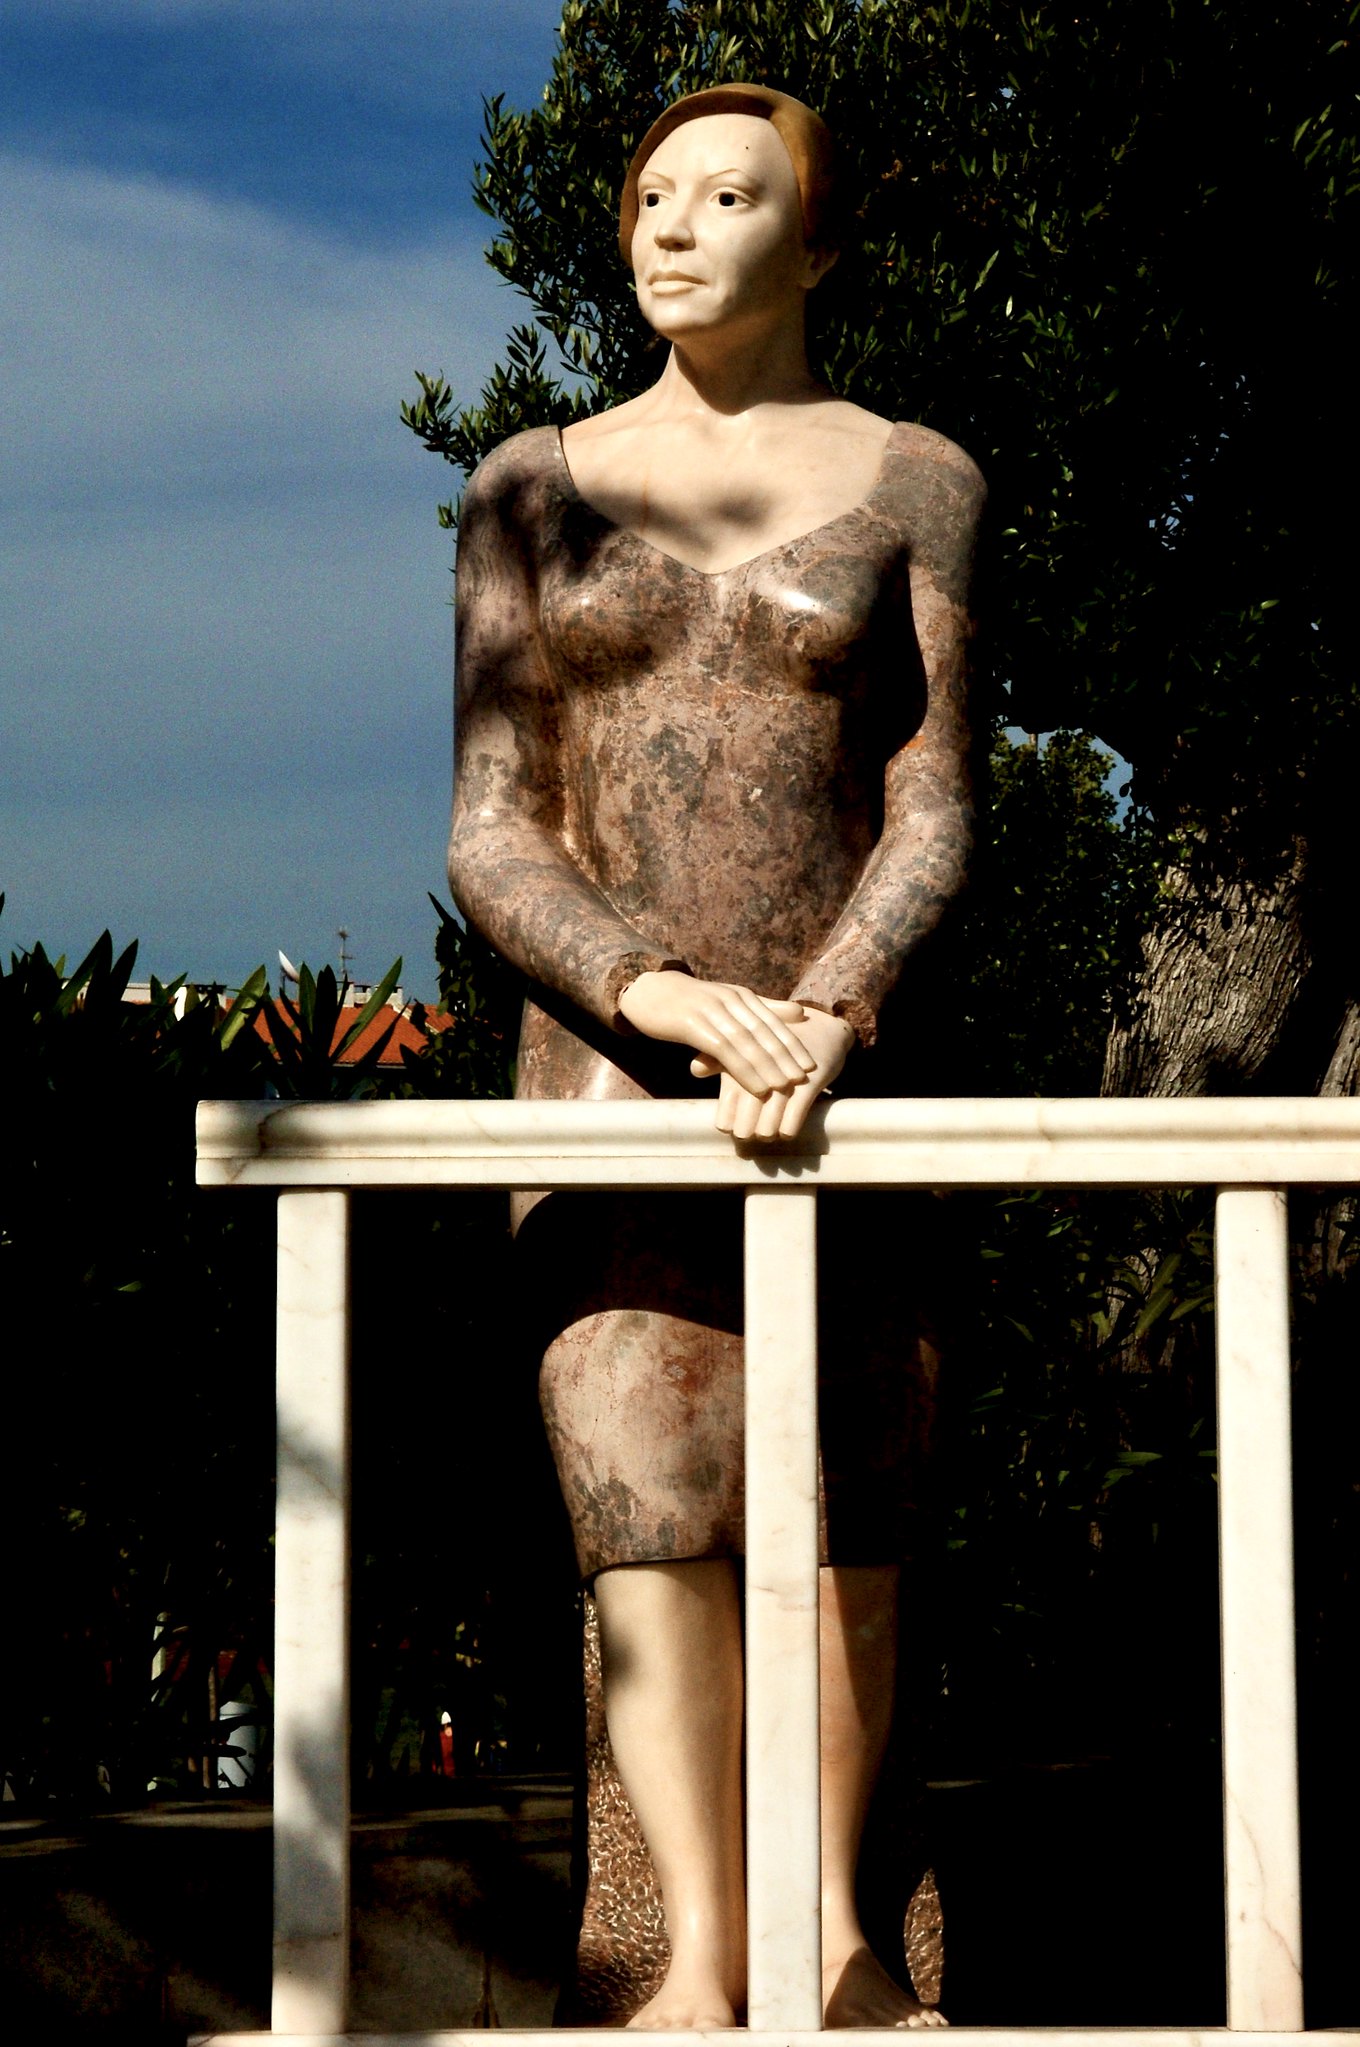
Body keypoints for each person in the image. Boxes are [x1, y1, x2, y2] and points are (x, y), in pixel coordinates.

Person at [449, 83, 983, 2028]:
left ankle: (833, 1932)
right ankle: (693, 1945)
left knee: (847, 1509)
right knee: (644, 1507)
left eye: (729, 195)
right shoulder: (528, 487)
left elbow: (933, 803)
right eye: (652, 195)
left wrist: (830, 1005)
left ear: (815, 240)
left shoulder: (915, 479)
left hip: (843, 1082)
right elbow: (490, 825)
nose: (673, 227)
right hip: (605, 1080)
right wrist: (660, 995)